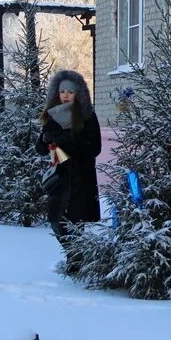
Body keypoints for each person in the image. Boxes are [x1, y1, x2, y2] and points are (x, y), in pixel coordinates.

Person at [35, 70, 101, 270]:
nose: (65, 95)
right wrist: (45, 140)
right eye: (62, 91)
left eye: (70, 92)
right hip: (59, 179)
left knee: (75, 222)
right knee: (56, 222)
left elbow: (95, 148)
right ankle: (75, 256)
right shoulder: (51, 115)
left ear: (78, 94)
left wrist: (66, 141)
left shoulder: (88, 116)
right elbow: (40, 149)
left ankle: (77, 262)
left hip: (80, 179)